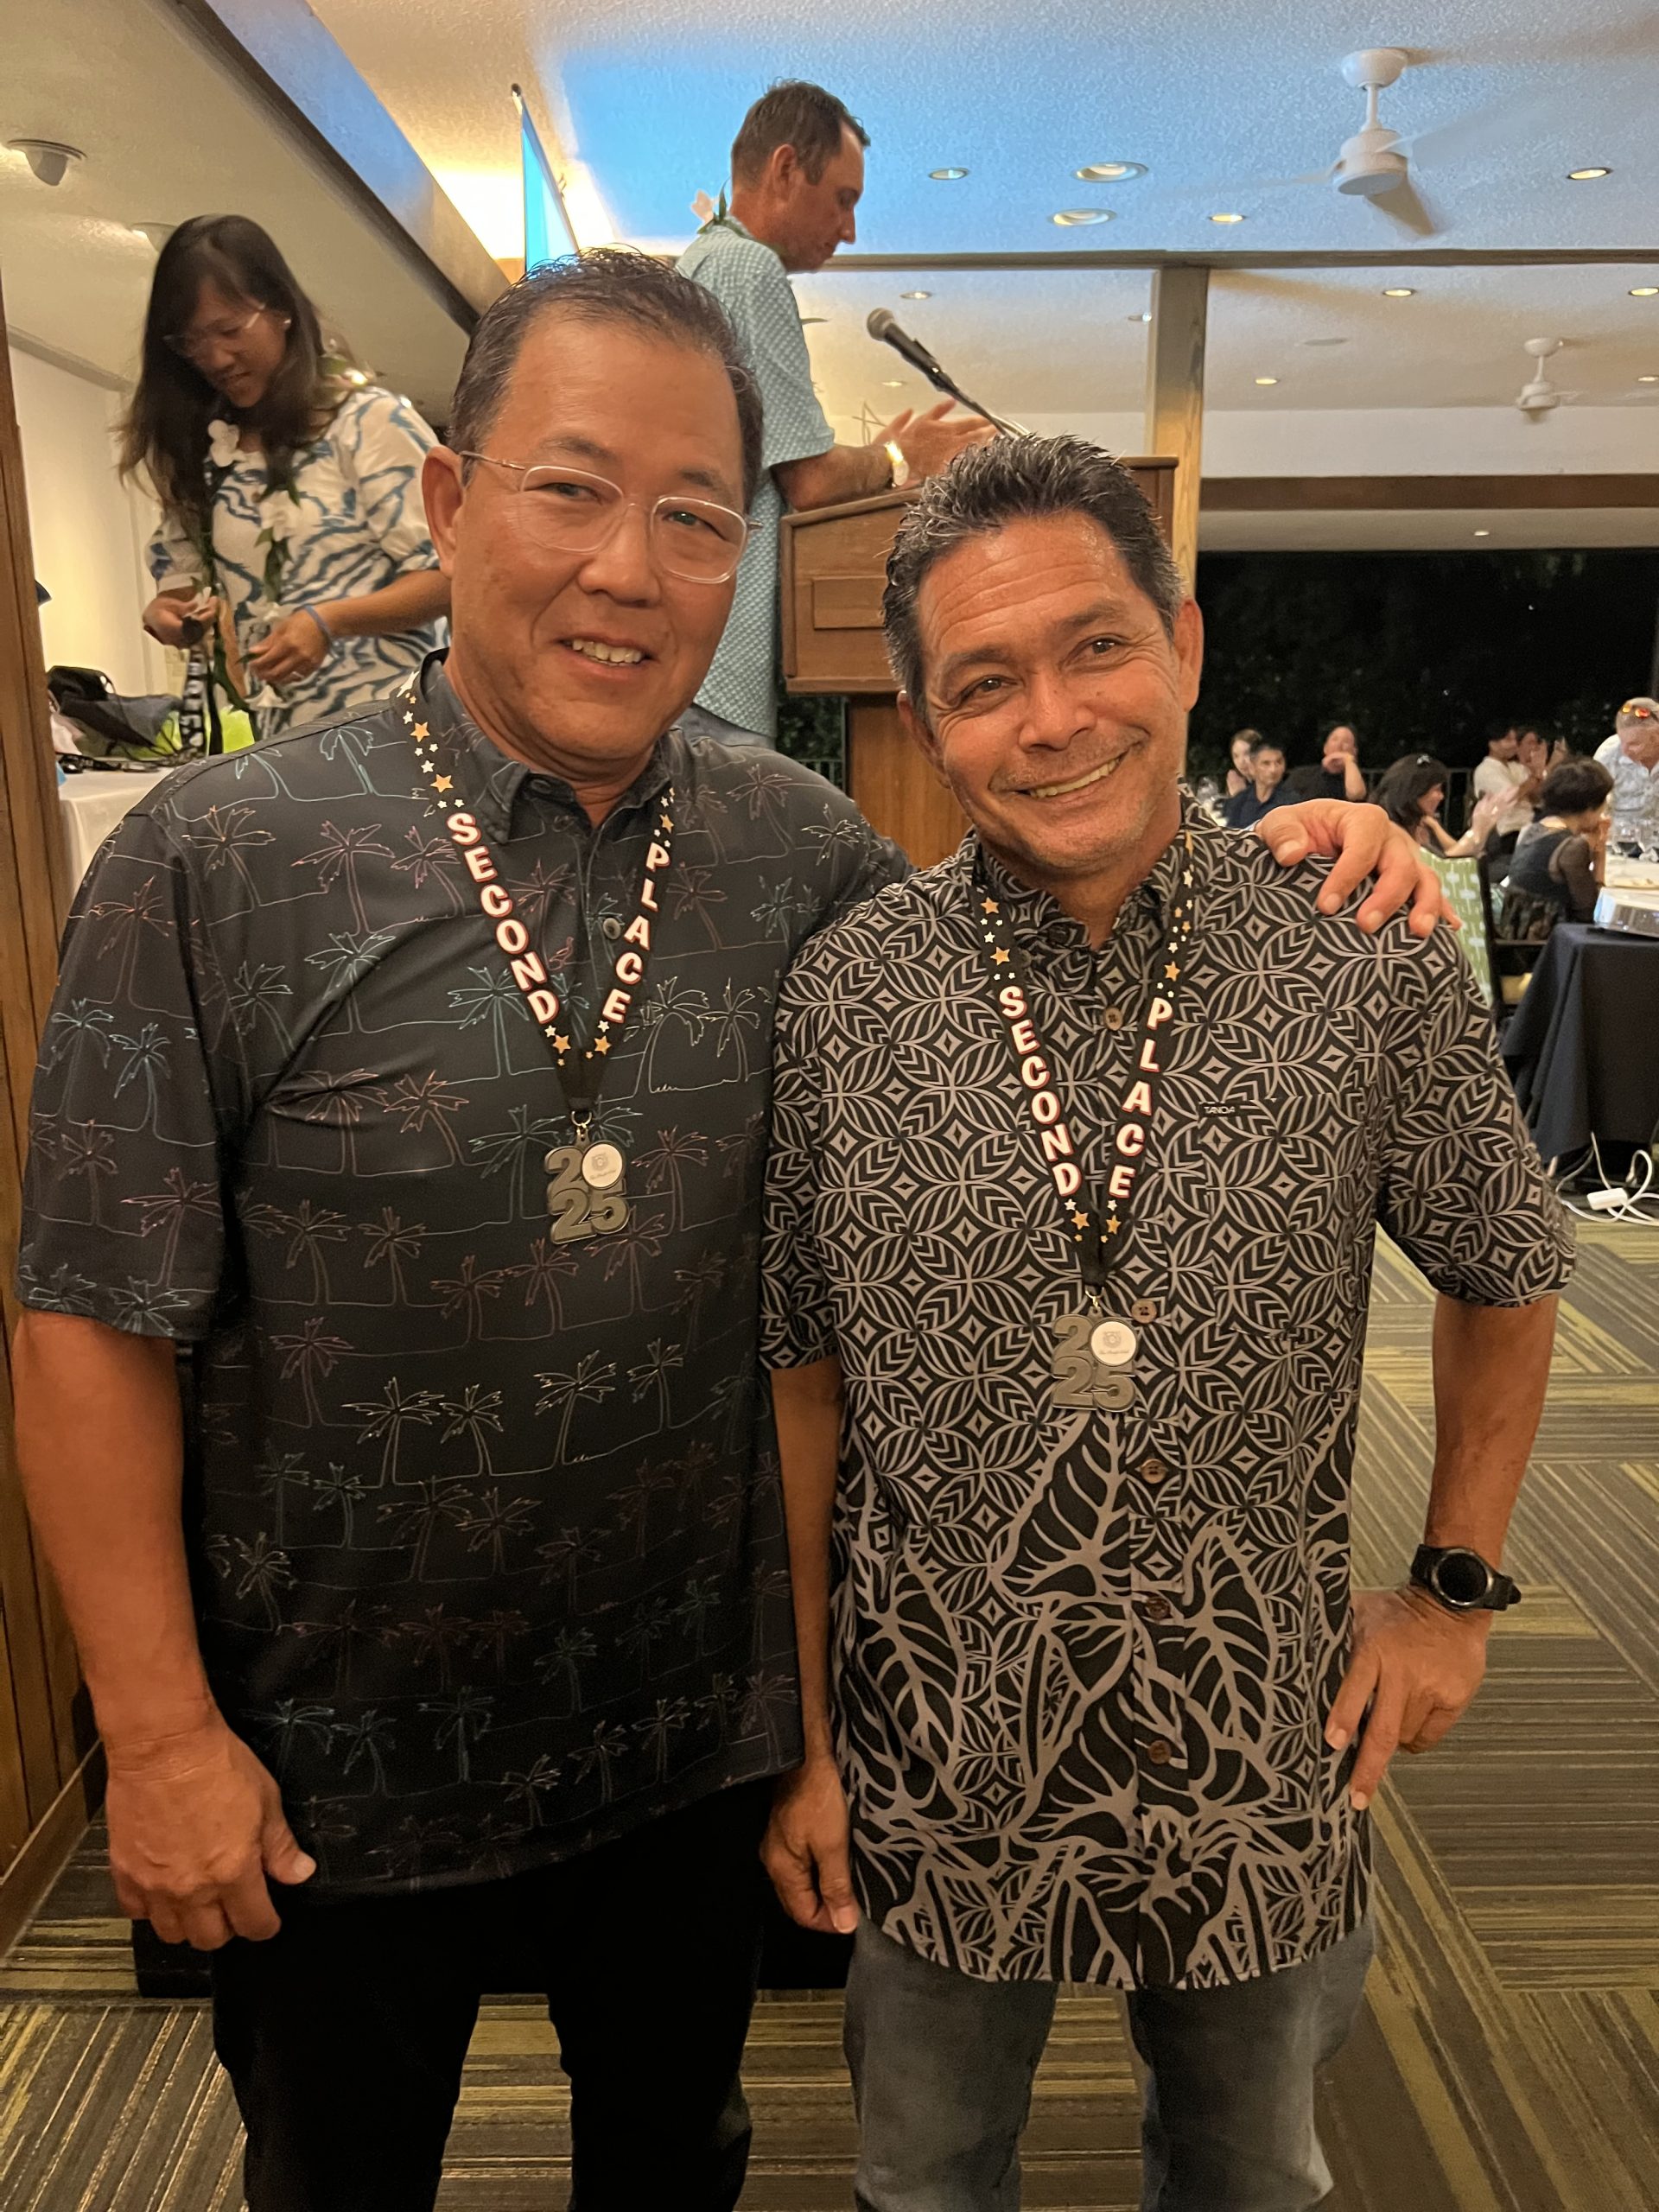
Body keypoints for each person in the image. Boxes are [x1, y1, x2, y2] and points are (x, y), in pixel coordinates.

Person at [14, 259, 1435, 2212]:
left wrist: (1311, 856)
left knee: (677, 2166)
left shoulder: (800, 853)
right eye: (571, 490)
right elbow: (92, 1321)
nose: (630, 567)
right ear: (449, 503)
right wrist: (159, 1730)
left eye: (695, 516)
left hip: (696, 1748)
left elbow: (1049, 918)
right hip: (336, 1762)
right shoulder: (215, 860)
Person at [757, 435, 1572, 2212]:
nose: (1052, 720)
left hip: (1259, 1734)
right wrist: (812, 1740)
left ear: (1185, 646)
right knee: (921, 2179)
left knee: (1249, 2176)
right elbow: (804, 1390)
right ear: (926, 720)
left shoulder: (1359, 952)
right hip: (938, 1733)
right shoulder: (851, 996)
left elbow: (1510, 1264)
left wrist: (1453, 1590)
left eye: (1097, 648)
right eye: (984, 683)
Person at [677, 81, 991, 747]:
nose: (849, 231)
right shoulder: (746, 269)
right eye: (844, 200)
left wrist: (879, 465)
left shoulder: (704, 262)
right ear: (787, 169)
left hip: (690, 659)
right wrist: (903, 458)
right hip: (714, 674)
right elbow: (811, 482)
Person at [124, 214, 448, 740]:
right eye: (190, 342)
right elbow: (182, 577)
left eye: (229, 330)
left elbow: (454, 578)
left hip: (400, 735)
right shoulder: (213, 450)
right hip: (285, 744)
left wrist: (329, 620)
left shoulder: (369, 423)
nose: (214, 358)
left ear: (281, 309)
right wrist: (171, 611)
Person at [1501, 757, 1614, 933]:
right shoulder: (1573, 847)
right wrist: (1600, 855)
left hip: (1514, 934)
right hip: (1550, 942)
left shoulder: (1530, 829)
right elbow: (1590, 912)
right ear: (1590, 806)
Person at [1375, 754, 1504, 858]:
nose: (1441, 796)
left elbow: (1453, 853)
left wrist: (1481, 831)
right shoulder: (1389, 827)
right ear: (1415, 791)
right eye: (1437, 789)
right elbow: (1440, 868)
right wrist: (1475, 833)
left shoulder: (1423, 824)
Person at [1594, 696, 1659, 858]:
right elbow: (1589, 803)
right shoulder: (1609, 754)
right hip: (1618, 849)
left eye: (1634, 744)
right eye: (1622, 740)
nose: (1624, 750)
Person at [1471, 725, 1535, 856]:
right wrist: (1533, 780)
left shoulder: (1516, 767)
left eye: (1515, 740)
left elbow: (1536, 796)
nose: (1514, 744)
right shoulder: (1486, 769)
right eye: (1508, 740)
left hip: (1529, 826)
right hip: (1507, 832)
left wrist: (1538, 771)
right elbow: (1510, 797)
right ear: (1493, 744)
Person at [1287, 721, 1366, 804]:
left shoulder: (1355, 779)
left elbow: (1356, 795)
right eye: (1335, 739)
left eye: (1346, 741)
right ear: (1325, 748)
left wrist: (1349, 760)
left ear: (1354, 751)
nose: (1339, 745)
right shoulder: (1302, 774)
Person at [1221, 733, 1291, 827]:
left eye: (1278, 762)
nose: (1273, 769)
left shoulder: (1291, 802)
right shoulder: (1239, 800)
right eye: (1266, 763)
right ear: (1253, 766)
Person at [1223, 727, 1259, 798]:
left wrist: (1239, 795)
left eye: (1247, 754)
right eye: (1236, 756)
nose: (1241, 761)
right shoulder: (1238, 781)